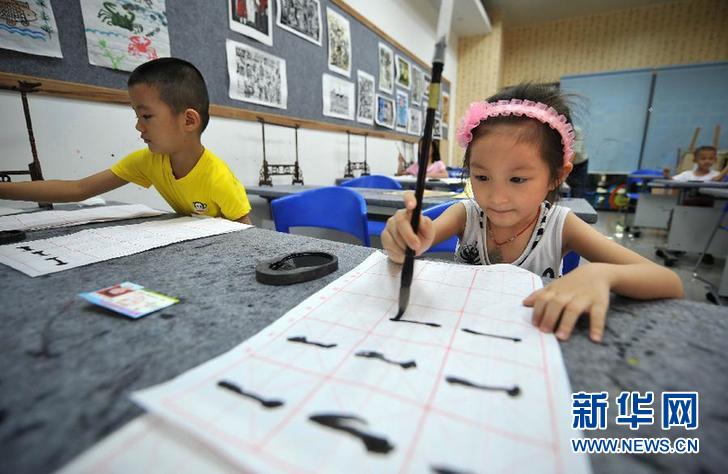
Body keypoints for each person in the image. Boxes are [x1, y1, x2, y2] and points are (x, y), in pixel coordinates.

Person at [382, 83, 683, 343]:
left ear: (556, 176)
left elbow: (669, 281)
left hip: (530, 345)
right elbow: (423, 237)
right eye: (482, 177)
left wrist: (601, 273)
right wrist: (405, 238)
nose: (497, 197)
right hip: (462, 337)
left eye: (517, 179)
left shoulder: (561, 226)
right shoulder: (467, 214)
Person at [0, 58, 252, 223]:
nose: (138, 126)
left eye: (146, 116)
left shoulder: (218, 179)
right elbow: (78, 189)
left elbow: (250, 238)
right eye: (136, 115)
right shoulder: (149, 161)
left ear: (188, 121)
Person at [565, 126, 588, 197]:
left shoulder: (576, 131)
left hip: (579, 163)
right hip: (564, 163)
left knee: (578, 189)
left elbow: (574, 152)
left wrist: (565, 171)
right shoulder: (554, 126)